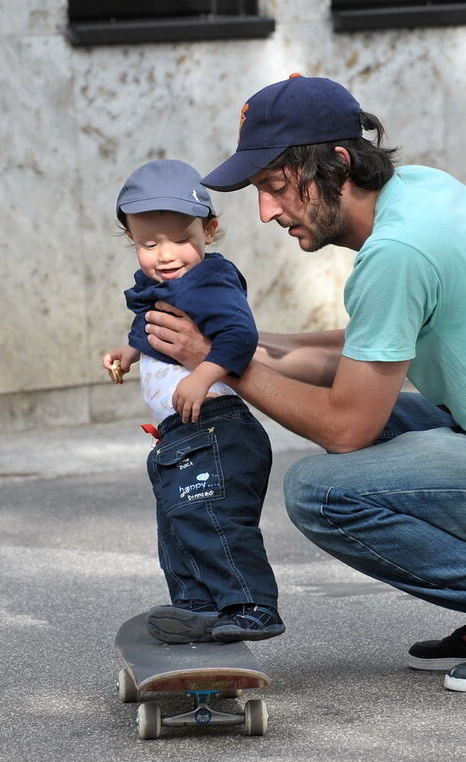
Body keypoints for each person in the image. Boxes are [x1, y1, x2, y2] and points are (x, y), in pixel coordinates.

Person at [141, 76, 466, 692]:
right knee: (378, 428)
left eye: (275, 187)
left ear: (337, 163)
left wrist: (221, 360)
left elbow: (347, 428)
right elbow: (369, 351)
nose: (265, 212)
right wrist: (255, 346)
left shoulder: (398, 251)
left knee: (322, 490)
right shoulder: (420, 190)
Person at [102, 159, 284, 645]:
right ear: (132, 240)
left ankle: (251, 605)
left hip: (218, 426)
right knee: (180, 520)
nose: (165, 254)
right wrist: (130, 351)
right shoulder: (164, 287)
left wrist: (203, 374)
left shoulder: (210, 280)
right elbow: (153, 330)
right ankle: (196, 606)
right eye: (149, 243)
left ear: (211, 229)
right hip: (184, 433)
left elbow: (240, 335)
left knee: (212, 517)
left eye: (180, 238)